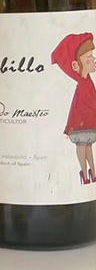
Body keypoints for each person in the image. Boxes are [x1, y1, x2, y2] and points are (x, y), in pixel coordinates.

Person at [52, 33, 96, 185]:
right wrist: (70, 127)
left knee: (88, 147)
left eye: (92, 57)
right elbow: (83, 106)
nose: (94, 60)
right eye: (89, 59)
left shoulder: (88, 82)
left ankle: (92, 173)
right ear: (76, 66)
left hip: (88, 125)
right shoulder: (84, 85)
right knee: (84, 147)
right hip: (81, 127)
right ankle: (86, 174)